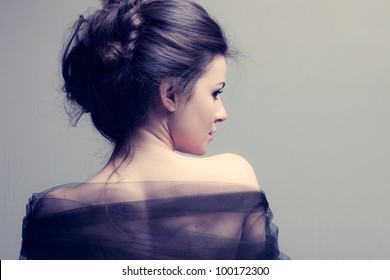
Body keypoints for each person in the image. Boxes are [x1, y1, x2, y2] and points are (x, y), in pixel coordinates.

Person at [20, 0, 287, 259]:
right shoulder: (235, 178)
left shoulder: (54, 212)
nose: (222, 114)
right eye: (215, 93)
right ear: (169, 93)